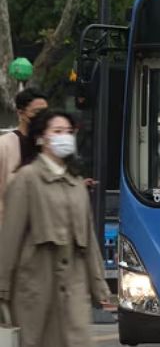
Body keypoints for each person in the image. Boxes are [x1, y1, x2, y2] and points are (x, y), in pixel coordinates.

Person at [0, 110, 111, 347]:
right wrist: (2, 289)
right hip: (36, 287)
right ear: (41, 138)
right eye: (57, 131)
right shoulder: (27, 179)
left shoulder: (76, 184)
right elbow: (10, 238)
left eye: (69, 132)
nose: (65, 137)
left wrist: (100, 286)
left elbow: (89, 240)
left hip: (74, 287)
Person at [0, 88, 48, 225]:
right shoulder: (4, 145)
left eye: (45, 113)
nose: (42, 118)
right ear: (21, 113)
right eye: (37, 113)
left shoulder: (48, 145)